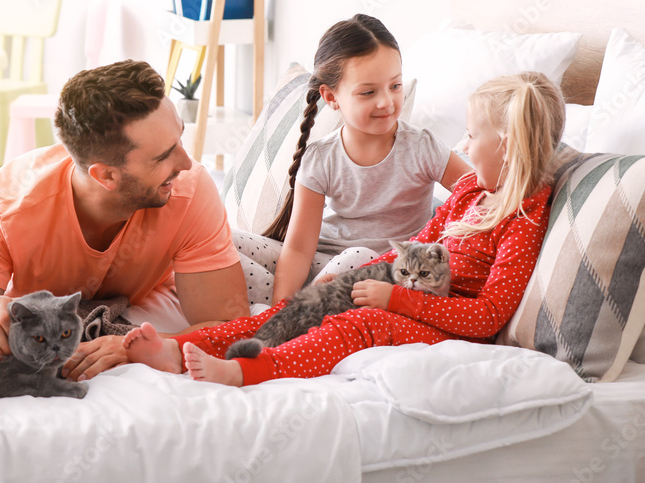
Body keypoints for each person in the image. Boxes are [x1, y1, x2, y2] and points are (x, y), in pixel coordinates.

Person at [124, 71, 565, 386]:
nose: (463, 147)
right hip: (404, 293)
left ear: (506, 147)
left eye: (471, 137)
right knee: (304, 305)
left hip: (444, 322)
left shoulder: (524, 219)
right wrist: (364, 274)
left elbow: (486, 316)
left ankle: (246, 370)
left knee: (355, 325)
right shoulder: (471, 189)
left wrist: (395, 297)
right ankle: (180, 347)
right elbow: (417, 247)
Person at [0, 60, 249, 381]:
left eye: (179, 140)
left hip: (147, 292)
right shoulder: (3, 204)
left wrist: (134, 347)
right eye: (163, 156)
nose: (186, 162)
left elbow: (232, 329)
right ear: (106, 175)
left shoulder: (189, 189)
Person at [256, 14, 469, 305]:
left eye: (395, 86)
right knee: (228, 243)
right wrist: (281, 304)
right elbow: (298, 250)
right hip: (320, 265)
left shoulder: (422, 147)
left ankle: (301, 311)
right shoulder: (320, 158)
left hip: (380, 272)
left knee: (359, 255)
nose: (386, 101)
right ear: (331, 97)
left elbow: (477, 192)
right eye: (368, 92)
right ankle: (273, 312)